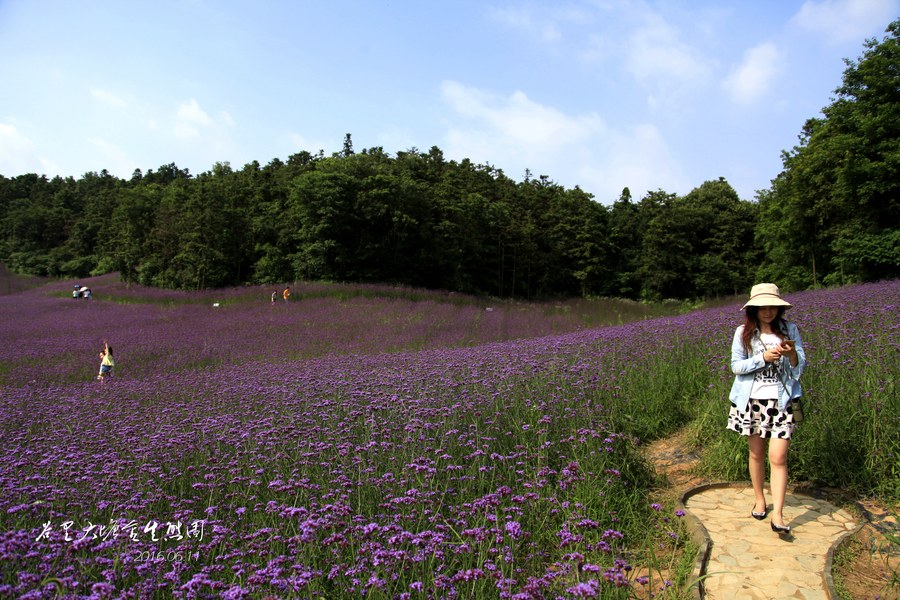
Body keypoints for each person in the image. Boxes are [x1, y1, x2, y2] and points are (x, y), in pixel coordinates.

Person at [728, 283, 806, 535]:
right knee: (756, 455)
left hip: (781, 402)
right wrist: (763, 358)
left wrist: (791, 355)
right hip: (752, 402)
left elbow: (799, 368)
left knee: (779, 458)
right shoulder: (743, 333)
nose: (768, 311)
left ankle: (779, 515)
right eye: (762, 307)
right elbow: (736, 367)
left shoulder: (789, 329)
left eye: (772, 306)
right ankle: (760, 499)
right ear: (753, 309)